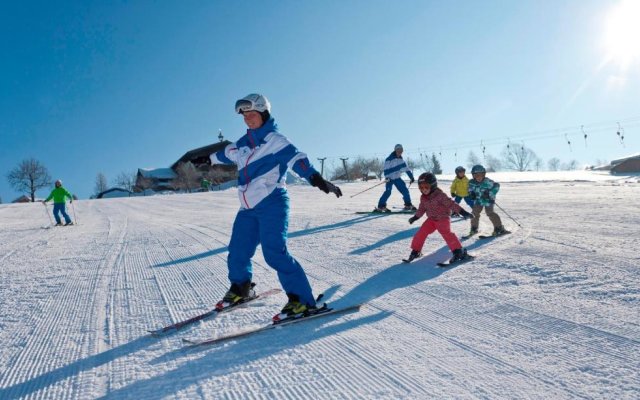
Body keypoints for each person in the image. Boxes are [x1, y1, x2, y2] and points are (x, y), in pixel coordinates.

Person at [209, 93, 342, 321]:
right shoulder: (242, 145)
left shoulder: (275, 140)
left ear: (264, 113)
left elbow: (297, 159)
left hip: (272, 202)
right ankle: (241, 288)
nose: (248, 119)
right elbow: (224, 153)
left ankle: (302, 301)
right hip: (247, 209)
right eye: (245, 116)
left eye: (252, 114)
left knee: (274, 253)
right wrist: (207, 159)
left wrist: (316, 178)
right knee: (237, 252)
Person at [405, 173, 472, 263]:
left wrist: (463, 212)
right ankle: (416, 251)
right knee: (421, 233)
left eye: (426, 186)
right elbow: (422, 208)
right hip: (431, 220)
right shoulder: (423, 197)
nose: (424, 190)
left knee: (447, 233)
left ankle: (459, 251)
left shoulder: (440, 195)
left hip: (443, 218)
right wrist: (415, 217)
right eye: (421, 187)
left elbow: (451, 204)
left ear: (432, 185)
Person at [467, 164, 507, 237]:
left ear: (484, 174)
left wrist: (489, 193)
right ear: (473, 175)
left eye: (480, 175)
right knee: (474, 213)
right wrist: (471, 194)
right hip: (478, 200)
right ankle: (474, 228)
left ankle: (499, 228)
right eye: (476, 175)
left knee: (490, 213)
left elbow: (496, 186)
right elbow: (469, 189)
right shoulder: (471, 182)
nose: (478, 177)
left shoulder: (487, 181)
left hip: (488, 200)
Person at [374, 144, 416, 212]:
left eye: (401, 150)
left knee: (405, 191)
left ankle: (408, 205)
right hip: (389, 179)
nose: (400, 151)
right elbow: (386, 170)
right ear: (395, 150)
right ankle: (381, 206)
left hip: (397, 178)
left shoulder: (401, 161)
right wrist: (387, 177)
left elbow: (407, 169)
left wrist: (411, 177)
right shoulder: (389, 159)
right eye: (398, 150)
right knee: (388, 192)